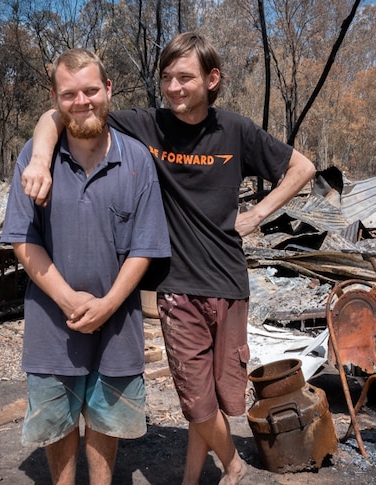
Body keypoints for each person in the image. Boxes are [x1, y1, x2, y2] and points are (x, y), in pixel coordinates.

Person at [21, 33, 316, 485]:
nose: (174, 88)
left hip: (229, 281)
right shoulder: (147, 127)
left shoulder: (235, 131)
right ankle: (232, 464)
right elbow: (62, 113)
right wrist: (41, 159)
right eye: (167, 78)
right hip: (178, 286)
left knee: (218, 401)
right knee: (196, 400)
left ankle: (192, 477)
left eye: (186, 78)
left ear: (211, 79)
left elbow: (304, 168)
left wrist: (257, 213)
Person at [0, 48, 170, 485]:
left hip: (118, 324)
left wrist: (109, 303)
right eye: (70, 93)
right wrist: (69, 299)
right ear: (55, 98)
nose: (82, 101)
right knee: (56, 420)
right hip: (51, 323)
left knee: (107, 419)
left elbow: (146, 246)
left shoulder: (136, 160)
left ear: (108, 89)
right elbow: (22, 238)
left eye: (91, 90)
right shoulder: (35, 160)